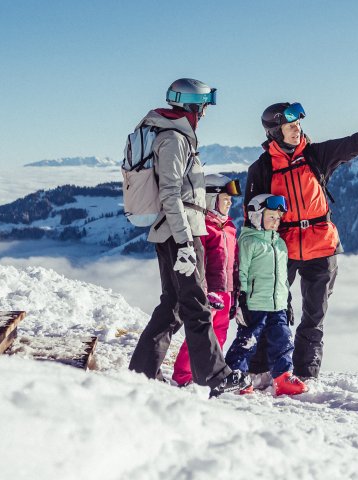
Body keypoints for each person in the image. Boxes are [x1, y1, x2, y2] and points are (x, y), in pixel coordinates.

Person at [244, 102, 358, 382]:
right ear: (274, 132)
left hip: (322, 247)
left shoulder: (315, 155)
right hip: (283, 249)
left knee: (314, 316)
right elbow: (251, 217)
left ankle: (306, 376)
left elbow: (354, 144)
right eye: (290, 126)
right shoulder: (261, 169)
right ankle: (260, 371)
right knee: (272, 310)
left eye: (298, 125)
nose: (297, 130)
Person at [127, 78, 251, 397]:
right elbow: (170, 193)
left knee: (173, 306)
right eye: (205, 105)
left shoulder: (175, 136)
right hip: (179, 232)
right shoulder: (173, 139)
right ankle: (214, 374)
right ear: (193, 105)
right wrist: (184, 243)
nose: (207, 112)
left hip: (176, 230)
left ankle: (141, 372)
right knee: (196, 302)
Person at [225, 194, 306, 396]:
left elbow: (283, 278)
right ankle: (236, 376)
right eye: (271, 217)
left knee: (283, 340)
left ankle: (282, 377)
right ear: (256, 215)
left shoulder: (280, 244)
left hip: (277, 304)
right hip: (254, 303)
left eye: (278, 218)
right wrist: (240, 300)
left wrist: (287, 301)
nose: (275, 222)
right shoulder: (248, 242)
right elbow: (239, 272)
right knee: (248, 341)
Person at [170, 174, 243, 386]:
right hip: (210, 292)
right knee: (201, 336)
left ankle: (209, 375)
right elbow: (199, 264)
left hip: (226, 292)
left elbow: (235, 264)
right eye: (225, 198)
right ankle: (183, 376)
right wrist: (203, 292)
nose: (230, 203)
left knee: (219, 335)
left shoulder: (229, 227)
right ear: (211, 198)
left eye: (230, 200)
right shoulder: (203, 227)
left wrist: (235, 294)